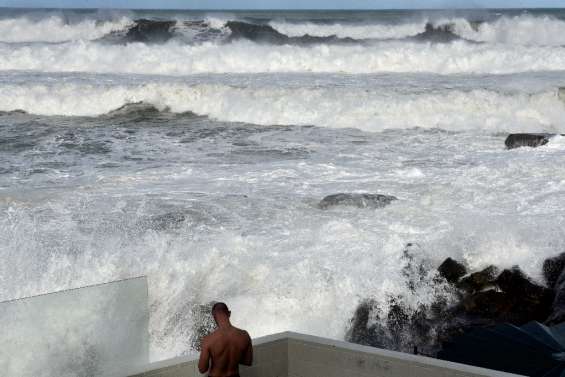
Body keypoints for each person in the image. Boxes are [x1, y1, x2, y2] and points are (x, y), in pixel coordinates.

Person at [198, 302, 253, 377]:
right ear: (229, 313)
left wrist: (217, 358)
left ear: (213, 316)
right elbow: (248, 361)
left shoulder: (208, 340)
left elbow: (202, 369)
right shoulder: (244, 335)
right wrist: (234, 357)